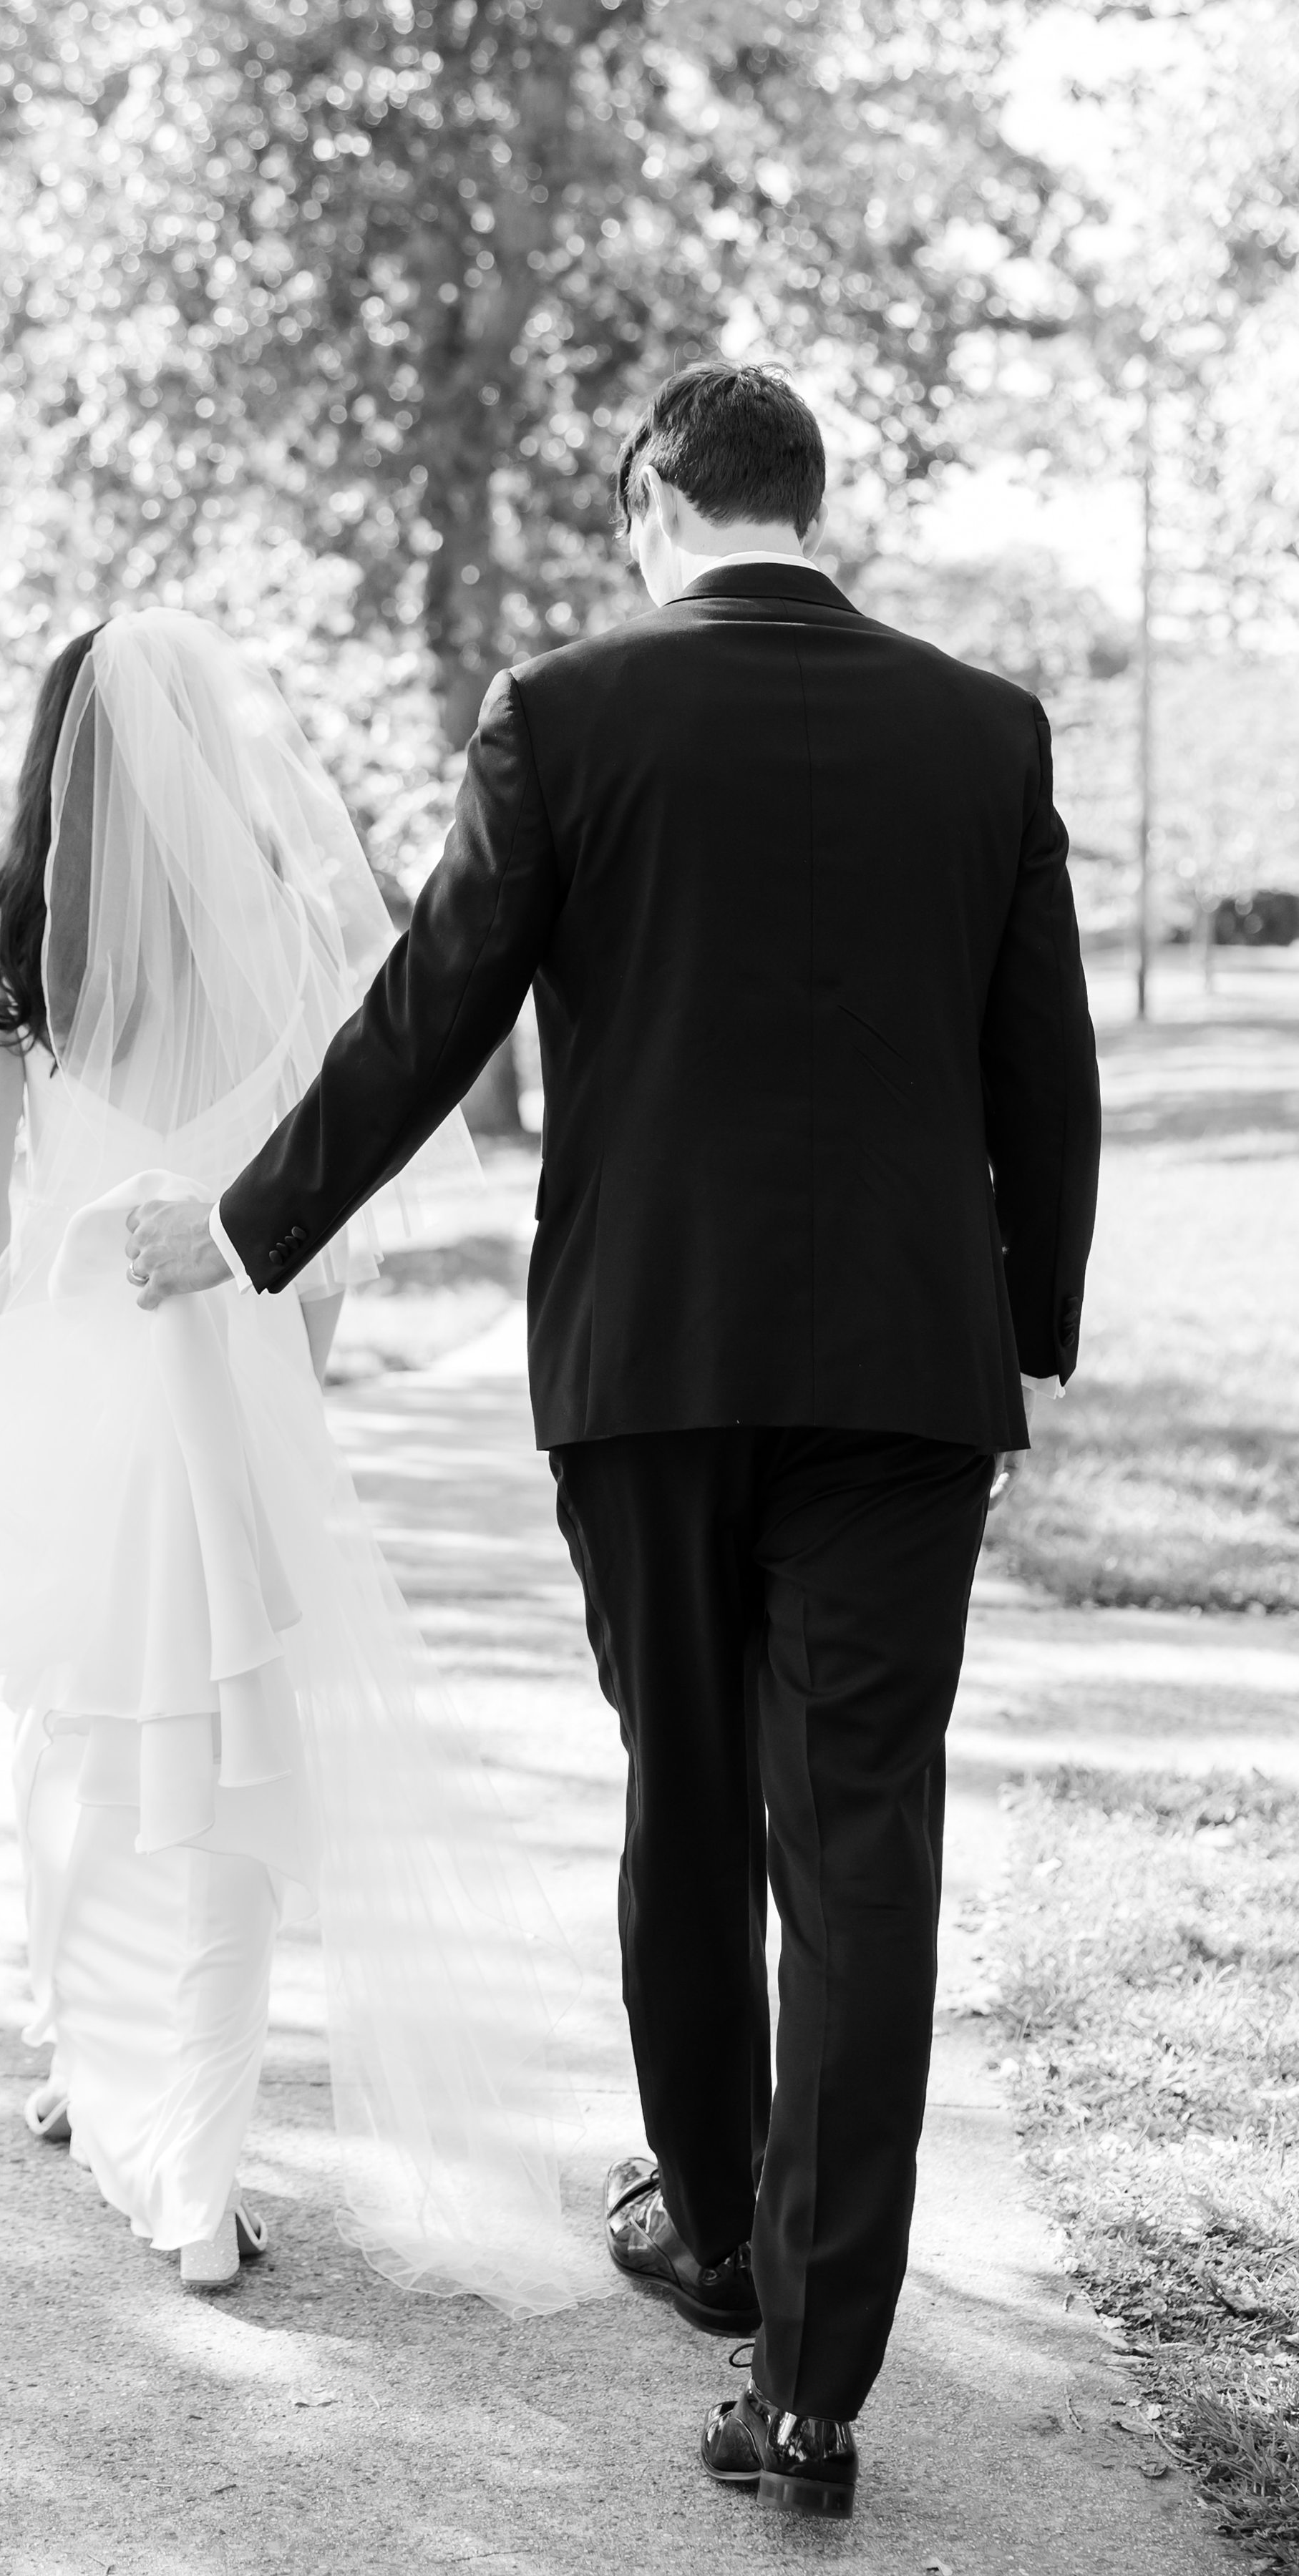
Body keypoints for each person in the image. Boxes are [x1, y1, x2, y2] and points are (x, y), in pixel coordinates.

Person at [123, 364, 1101, 2512]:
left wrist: (250, 1227)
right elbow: (1046, 1062)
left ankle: (718, 2227)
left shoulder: (561, 713)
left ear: (654, 500)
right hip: (906, 1376)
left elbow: (430, 1014)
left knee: (688, 1787)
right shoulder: (986, 727)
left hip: (649, 1360)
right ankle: (812, 2389)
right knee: (863, 1847)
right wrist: (1029, 1325)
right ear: (809, 505)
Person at [0, 607, 593, 2317]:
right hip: (234, 1380)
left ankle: (79, 2054)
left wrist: (4, 1386)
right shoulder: (287, 927)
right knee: (231, 1766)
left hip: (72, 1383)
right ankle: (192, 2181)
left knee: (72, 1734)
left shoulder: (10, 939)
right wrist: (283, 1403)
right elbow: (329, 1224)